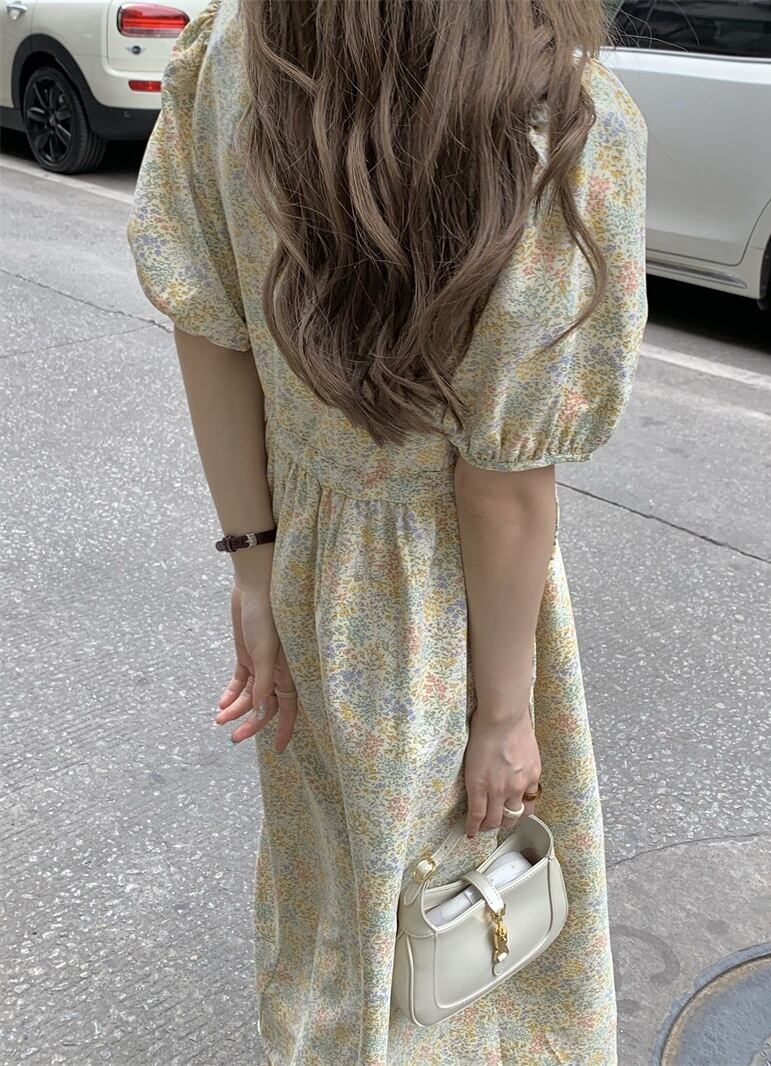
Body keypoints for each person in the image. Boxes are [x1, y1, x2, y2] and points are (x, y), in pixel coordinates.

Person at [126, 0, 647, 1062]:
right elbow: (500, 489)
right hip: (444, 605)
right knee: (454, 922)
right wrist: (505, 714)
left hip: (304, 560)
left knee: (336, 892)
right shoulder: (550, 115)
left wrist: (254, 572)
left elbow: (210, 325)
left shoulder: (240, 46)